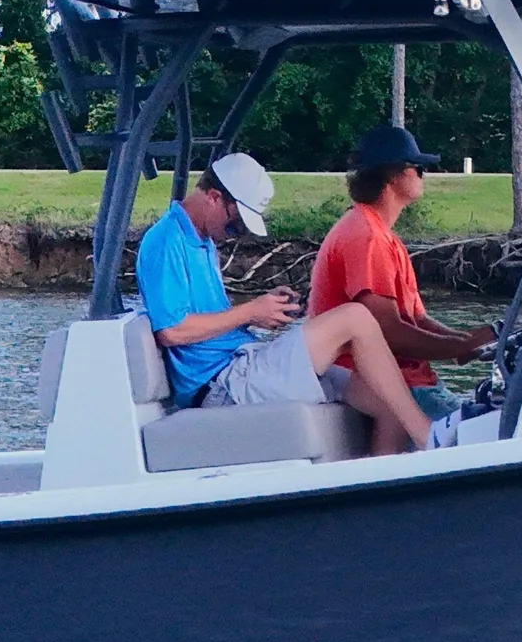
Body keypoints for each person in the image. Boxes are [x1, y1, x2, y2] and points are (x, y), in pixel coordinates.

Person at [132, 151, 431, 456]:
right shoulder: (167, 240)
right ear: (213, 197)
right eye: (236, 225)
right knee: (355, 317)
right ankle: (429, 438)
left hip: (242, 360)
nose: (235, 235)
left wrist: (259, 312)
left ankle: (375, 494)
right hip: (220, 385)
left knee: (391, 402)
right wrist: (250, 311)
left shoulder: (202, 239)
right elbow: (172, 331)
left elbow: (208, 319)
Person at [310, 123, 488, 422]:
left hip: (413, 379)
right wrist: (460, 345)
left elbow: (416, 319)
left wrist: (466, 341)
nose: (423, 174)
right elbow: (387, 332)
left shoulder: (382, 235)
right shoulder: (365, 236)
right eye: (418, 167)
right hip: (382, 381)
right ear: (394, 174)